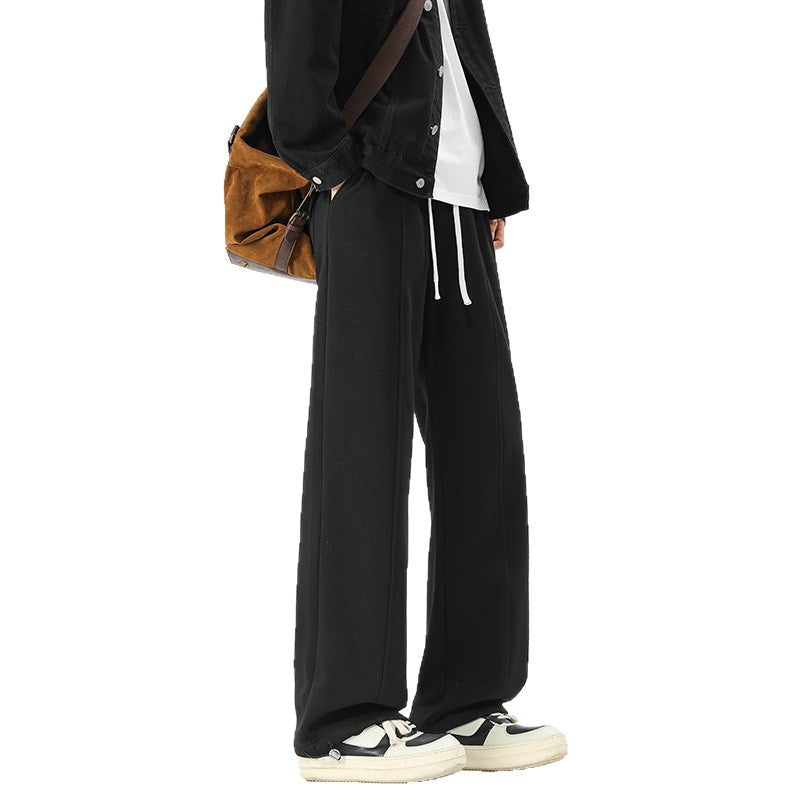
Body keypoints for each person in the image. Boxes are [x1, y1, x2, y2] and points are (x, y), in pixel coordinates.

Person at [265, 0, 566, 783]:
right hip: (370, 187)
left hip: (459, 204)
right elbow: (299, 44)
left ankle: (464, 700)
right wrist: (332, 166)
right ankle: (342, 720)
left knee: (484, 450)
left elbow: (464, 46)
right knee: (361, 450)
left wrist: (494, 177)